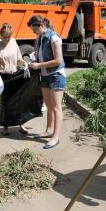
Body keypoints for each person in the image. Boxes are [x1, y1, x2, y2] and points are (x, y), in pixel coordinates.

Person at [27, 15, 66, 149]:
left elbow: (58, 60)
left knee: (56, 107)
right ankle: (48, 130)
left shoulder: (54, 38)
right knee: (49, 106)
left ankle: (55, 137)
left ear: (41, 26)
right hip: (45, 76)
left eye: (35, 30)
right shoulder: (39, 39)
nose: (34, 33)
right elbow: (38, 54)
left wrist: (39, 65)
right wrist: (31, 60)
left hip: (56, 75)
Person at [0, 23, 29, 135]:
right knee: (6, 102)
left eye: (9, 36)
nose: (7, 39)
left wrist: (23, 62)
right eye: (5, 37)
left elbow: (18, 57)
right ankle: (5, 126)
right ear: (1, 35)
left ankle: (21, 124)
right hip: (3, 76)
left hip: (14, 74)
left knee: (18, 99)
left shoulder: (13, 41)